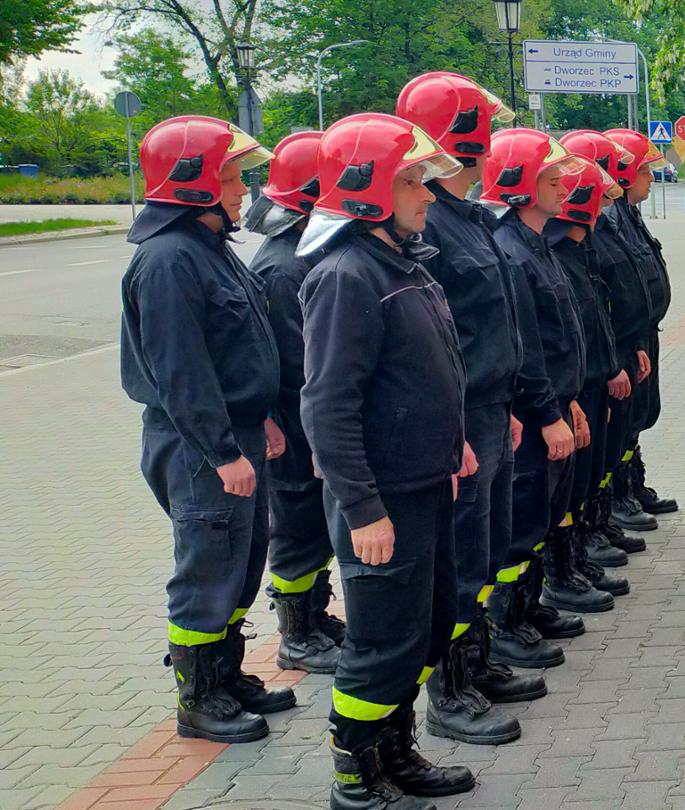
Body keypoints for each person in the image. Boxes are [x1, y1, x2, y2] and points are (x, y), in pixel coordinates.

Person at [296, 112, 476, 809]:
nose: (427, 195)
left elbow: (430, 372)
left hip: (423, 482)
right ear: (367, 187)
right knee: (380, 641)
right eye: (411, 182)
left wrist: (453, 440)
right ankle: (356, 773)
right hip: (383, 498)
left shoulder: (402, 264)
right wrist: (363, 508)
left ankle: (396, 751)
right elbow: (327, 404)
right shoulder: (347, 275)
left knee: (423, 628)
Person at [120, 115, 293, 743]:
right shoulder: (169, 260)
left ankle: (225, 675)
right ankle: (197, 699)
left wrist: (261, 416)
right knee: (206, 570)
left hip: (235, 431)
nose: (243, 190)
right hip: (200, 446)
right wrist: (222, 451)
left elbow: (237, 346)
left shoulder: (208, 246)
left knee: (242, 562)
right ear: (191, 181)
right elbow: (182, 372)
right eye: (231, 177)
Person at [396, 70, 545, 746]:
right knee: (457, 558)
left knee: (482, 552)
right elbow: (435, 344)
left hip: (490, 407)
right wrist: (455, 425)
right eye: (482, 124)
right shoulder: (431, 223)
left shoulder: (467, 219)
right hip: (460, 419)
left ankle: (474, 662)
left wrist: (506, 399)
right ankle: (447, 693)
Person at [481, 129, 596, 667]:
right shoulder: (512, 252)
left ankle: (528, 607)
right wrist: (548, 411)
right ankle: (505, 623)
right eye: (551, 180)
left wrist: (567, 400)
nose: (562, 189)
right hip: (530, 417)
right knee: (521, 521)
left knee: (541, 516)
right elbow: (525, 348)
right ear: (520, 186)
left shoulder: (534, 246)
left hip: (553, 405)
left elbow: (557, 337)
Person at [247, 130, 347, 675]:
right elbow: (298, 365)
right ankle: (296, 634)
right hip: (293, 427)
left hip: (304, 423)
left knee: (314, 527)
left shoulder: (305, 253)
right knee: (296, 531)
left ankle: (314, 615)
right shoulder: (284, 268)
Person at [558, 130, 654, 568]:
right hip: (586, 374)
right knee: (572, 475)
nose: (648, 178)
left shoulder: (603, 226)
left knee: (604, 452)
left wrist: (632, 344)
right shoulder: (561, 243)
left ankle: (597, 524)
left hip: (613, 355)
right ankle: (573, 552)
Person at [542, 155, 632, 602]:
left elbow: (594, 318)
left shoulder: (576, 250)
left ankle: (575, 556)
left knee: (582, 477)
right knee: (559, 490)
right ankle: (558, 575)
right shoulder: (553, 253)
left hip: (585, 380)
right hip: (567, 390)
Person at [602, 128, 679, 526]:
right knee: (622, 422)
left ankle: (632, 486)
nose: (652, 178)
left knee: (638, 417)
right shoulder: (610, 219)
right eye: (646, 171)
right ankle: (616, 499)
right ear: (624, 173)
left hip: (641, 336)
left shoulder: (627, 214)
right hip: (625, 341)